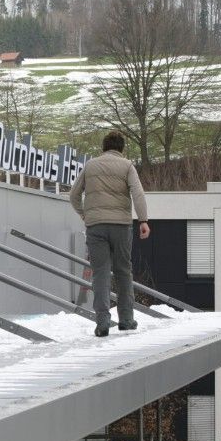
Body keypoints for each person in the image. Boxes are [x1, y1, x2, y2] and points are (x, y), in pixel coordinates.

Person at [69, 131, 150, 337]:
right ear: (121, 148)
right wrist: (143, 220)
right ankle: (126, 319)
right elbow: (138, 193)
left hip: (96, 226)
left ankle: (102, 322)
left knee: (101, 273)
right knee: (123, 271)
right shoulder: (127, 166)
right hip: (121, 226)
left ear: (103, 147)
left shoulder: (90, 165)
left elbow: (73, 194)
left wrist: (85, 214)